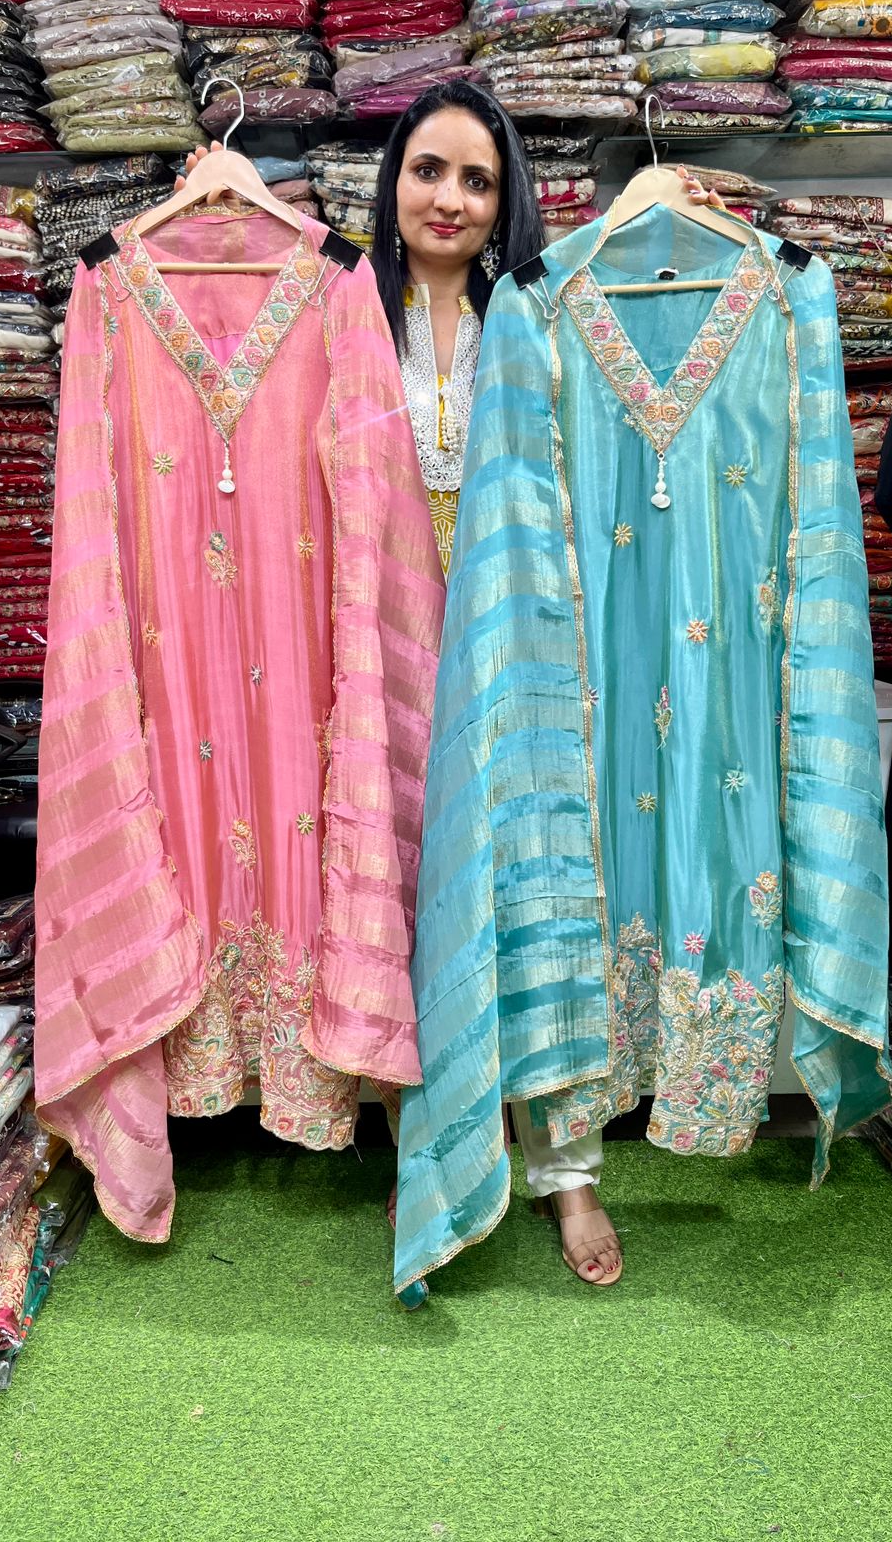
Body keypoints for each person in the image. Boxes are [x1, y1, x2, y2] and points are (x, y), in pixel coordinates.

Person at [175, 109, 723, 1288]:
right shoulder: (338, 315)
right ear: (393, 183)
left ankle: (567, 1171)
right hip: (376, 649)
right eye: (428, 170)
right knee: (393, 889)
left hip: (514, 649)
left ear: (505, 200)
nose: (450, 199)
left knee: (534, 891)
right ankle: (425, 1142)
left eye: (478, 180)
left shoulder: (539, 317)